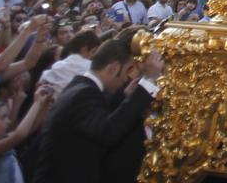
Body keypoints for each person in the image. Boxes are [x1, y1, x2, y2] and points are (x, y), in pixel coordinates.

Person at [33, 39, 163, 183]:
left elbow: (97, 122)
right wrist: (148, 81)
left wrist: (126, 96)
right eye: (128, 70)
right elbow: (108, 130)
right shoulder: (83, 94)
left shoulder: (82, 88)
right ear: (113, 68)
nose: (126, 77)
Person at [0, 84, 54, 183]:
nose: (8, 122)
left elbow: (32, 127)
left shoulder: (2, 140)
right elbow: (20, 134)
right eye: (3, 117)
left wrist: (45, 105)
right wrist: (37, 103)